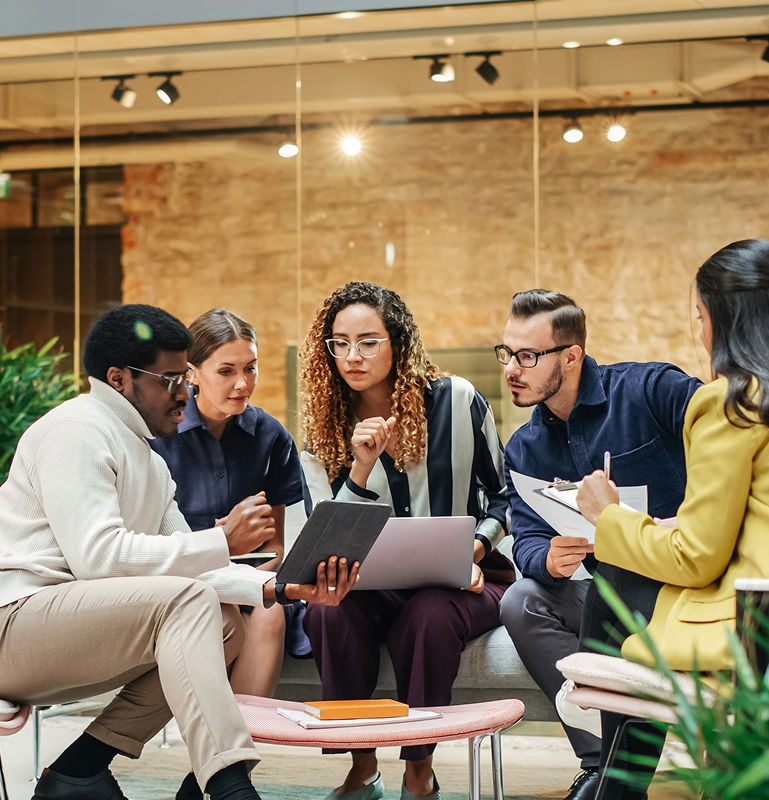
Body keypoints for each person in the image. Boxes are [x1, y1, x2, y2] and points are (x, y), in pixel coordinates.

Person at [0, 304, 357, 800]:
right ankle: (229, 786)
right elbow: (98, 558)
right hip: (15, 626)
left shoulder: (147, 458)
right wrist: (223, 539)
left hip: (67, 628)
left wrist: (279, 587)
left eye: (184, 377)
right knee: (190, 602)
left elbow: (197, 567)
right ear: (119, 379)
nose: (184, 392)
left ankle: (80, 770)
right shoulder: (77, 430)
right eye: (170, 379)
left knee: (225, 621)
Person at [575, 238, 769, 800]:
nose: (699, 333)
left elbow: (696, 559)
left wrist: (610, 517)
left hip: (766, 625)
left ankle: (615, 784)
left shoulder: (732, 402)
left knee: (614, 583)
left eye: (699, 316)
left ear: (725, 321)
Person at [299, 281, 514, 800]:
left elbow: (505, 498)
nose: (352, 356)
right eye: (340, 342)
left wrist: (474, 549)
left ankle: (419, 765)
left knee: (430, 614)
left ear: (397, 342)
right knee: (327, 612)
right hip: (371, 588)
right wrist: (360, 467)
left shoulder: (458, 401)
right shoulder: (322, 431)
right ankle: (363, 763)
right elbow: (325, 537)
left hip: (465, 582)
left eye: (369, 341)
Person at [496, 289, 701, 800]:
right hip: (592, 592)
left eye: (527, 356)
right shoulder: (522, 447)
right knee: (521, 599)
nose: (511, 369)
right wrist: (546, 559)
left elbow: (725, 431)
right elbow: (525, 541)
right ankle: (598, 761)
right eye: (506, 353)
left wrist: (673, 522)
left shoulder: (650, 389)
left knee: (621, 575)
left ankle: (618, 774)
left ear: (570, 356)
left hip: (677, 585)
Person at [150, 307, 306, 800]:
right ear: (191, 373)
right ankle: (220, 780)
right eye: (227, 370)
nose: (243, 383)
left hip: (245, 581)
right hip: (178, 580)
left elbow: (275, 547)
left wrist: (261, 562)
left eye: (251, 367)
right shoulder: (157, 438)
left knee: (270, 611)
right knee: (222, 618)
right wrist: (218, 536)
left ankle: (218, 777)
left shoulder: (270, 436)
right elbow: (144, 545)